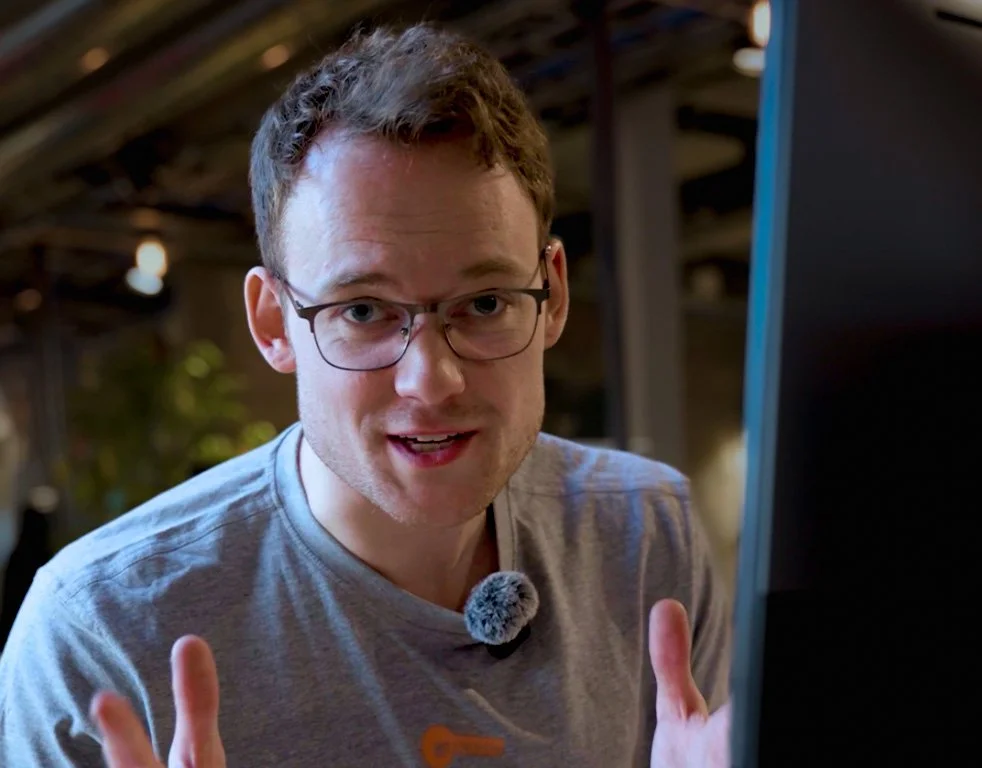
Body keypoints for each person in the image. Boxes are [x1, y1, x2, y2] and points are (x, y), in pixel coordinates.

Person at [0, 23, 732, 768]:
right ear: (272, 322)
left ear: (553, 297)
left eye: (483, 304)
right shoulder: (103, 635)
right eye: (362, 311)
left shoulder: (643, 539)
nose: (431, 381)